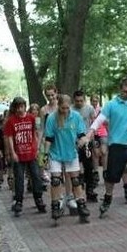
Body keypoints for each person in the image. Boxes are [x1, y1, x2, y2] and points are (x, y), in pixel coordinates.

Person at [82, 79, 127, 218]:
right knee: (111, 176)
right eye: (125, 91)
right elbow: (99, 120)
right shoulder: (111, 105)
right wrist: (90, 133)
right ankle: (107, 198)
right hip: (116, 144)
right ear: (120, 90)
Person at [43, 94, 90, 224]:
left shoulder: (76, 116)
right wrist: (45, 155)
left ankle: (81, 205)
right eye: (62, 108)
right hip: (56, 153)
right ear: (58, 106)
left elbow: (81, 134)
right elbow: (48, 139)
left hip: (71, 152)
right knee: (55, 180)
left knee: (75, 180)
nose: (65, 111)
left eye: (67, 108)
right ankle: (55, 206)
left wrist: (82, 141)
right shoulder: (52, 118)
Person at [3, 96, 47, 216]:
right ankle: (18, 201)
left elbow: (34, 133)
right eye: (18, 107)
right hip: (19, 154)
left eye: (22, 107)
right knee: (19, 178)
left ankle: (38, 198)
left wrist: (37, 148)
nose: (20, 110)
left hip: (31, 152)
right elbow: (10, 137)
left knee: (36, 176)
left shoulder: (31, 118)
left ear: (25, 106)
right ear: (15, 108)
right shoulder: (11, 121)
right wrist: (12, 152)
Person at [73, 90, 99, 203]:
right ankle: (77, 191)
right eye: (77, 101)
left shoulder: (89, 109)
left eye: (81, 101)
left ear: (84, 99)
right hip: (74, 142)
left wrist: (94, 138)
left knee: (89, 167)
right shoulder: (71, 109)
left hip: (87, 141)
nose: (79, 103)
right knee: (75, 168)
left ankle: (90, 190)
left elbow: (94, 123)